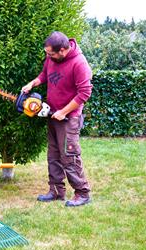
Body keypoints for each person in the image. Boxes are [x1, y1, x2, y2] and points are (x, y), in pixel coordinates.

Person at [21, 31, 93, 207]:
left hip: (69, 119)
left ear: (62, 50)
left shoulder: (79, 63)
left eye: (51, 53)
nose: (48, 56)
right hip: (52, 114)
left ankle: (82, 193)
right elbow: (44, 75)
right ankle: (56, 191)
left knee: (70, 156)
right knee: (53, 155)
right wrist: (32, 83)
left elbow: (85, 93)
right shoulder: (52, 58)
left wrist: (64, 111)